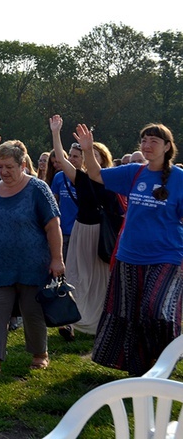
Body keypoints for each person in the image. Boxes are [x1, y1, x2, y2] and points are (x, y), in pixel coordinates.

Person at [75, 123, 183, 376]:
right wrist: (88, 150)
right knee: (130, 314)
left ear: (167, 147)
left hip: (166, 257)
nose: (146, 145)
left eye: (153, 141)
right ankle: (139, 371)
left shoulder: (179, 179)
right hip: (129, 257)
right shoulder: (134, 172)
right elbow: (95, 175)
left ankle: (164, 360)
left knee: (156, 310)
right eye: (144, 140)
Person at [0, 140, 63, 378]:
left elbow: (53, 225)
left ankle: (39, 355)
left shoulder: (38, 189)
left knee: (32, 311)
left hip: (32, 264)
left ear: (23, 164)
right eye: (0, 167)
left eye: (9, 167)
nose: (3, 172)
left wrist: (57, 259)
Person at [49, 115, 122, 339]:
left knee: (101, 279)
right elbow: (60, 157)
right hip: (82, 230)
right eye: (89, 155)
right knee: (75, 276)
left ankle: (99, 321)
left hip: (103, 234)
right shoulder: (79, 178)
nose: (91, 159)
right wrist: (55, 132)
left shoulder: (115, 179)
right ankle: (71, 321)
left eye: (95, 155)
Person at [51, 142, 82, 259]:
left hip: (80, 232)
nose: (71, 159)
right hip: (63, 230)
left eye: (75, 156)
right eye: (70, 155)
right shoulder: (59, 177)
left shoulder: (88, 178)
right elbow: (53, 203)